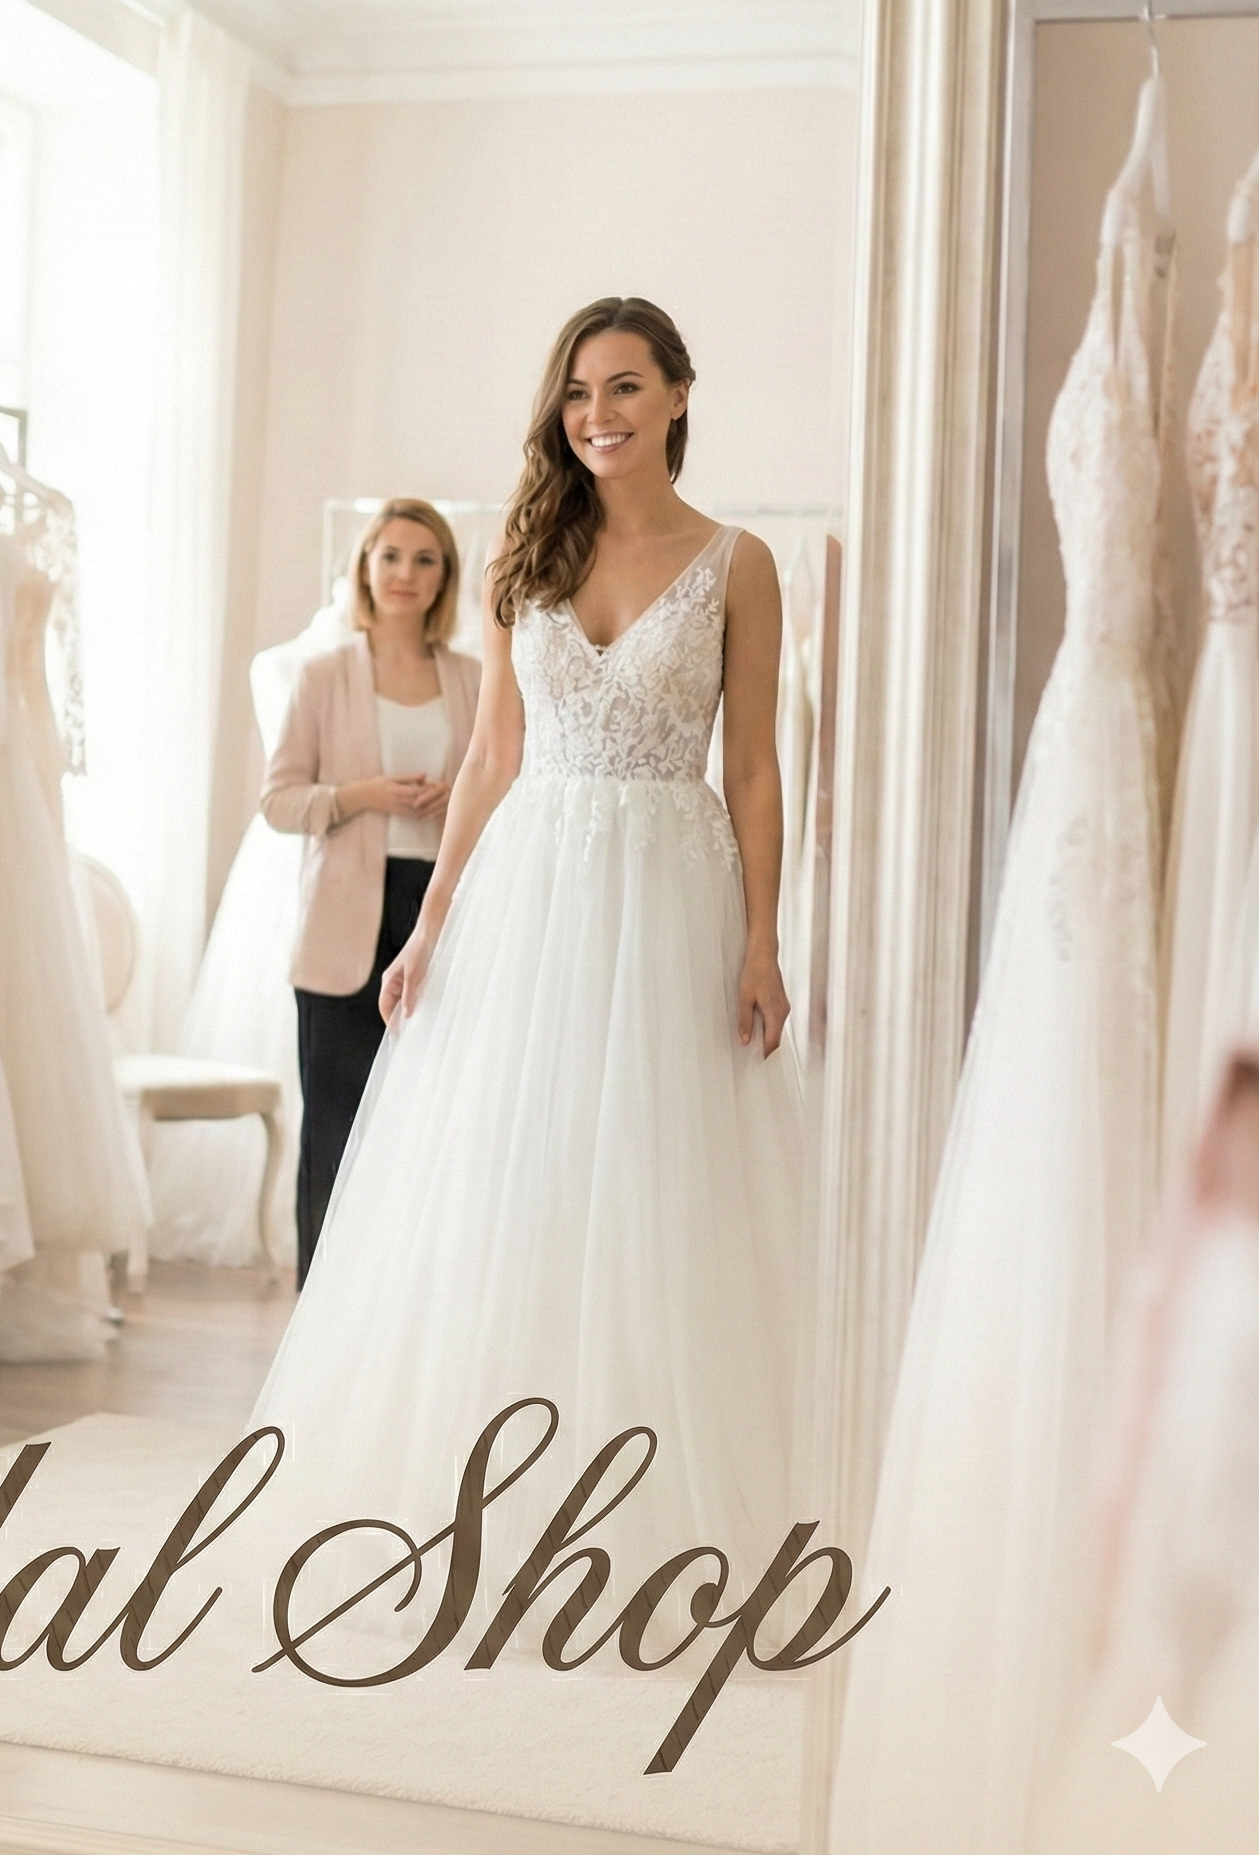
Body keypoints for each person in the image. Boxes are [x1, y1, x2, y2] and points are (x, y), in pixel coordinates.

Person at [250, 300, 809, 1631]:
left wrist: (764, 938)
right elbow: (493, 759)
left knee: (658, 1182)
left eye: (623, 388)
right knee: (515, 1173)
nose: (597, 415)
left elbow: (755, 765)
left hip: (673, 885)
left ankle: (643, 1509)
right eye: (575, 394)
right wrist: (434, 926)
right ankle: (490, 1495)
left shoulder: (740, 562)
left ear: (679, 394)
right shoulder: (524, 553)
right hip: (530, 893)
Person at [260, 500, 481, 1287]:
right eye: (390, 556)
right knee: (336, 1128)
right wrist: (363, 794)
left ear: (445, 577)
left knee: (430, 1130)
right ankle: (319, 1307)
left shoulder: (474, 680)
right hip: (342, 931)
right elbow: (280, 800)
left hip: (442, 921)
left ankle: (407, 1306)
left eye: (425, 560)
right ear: (364, 568)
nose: (405, 575)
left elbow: (503, 798)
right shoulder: (323, 676)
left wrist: (458, 796)